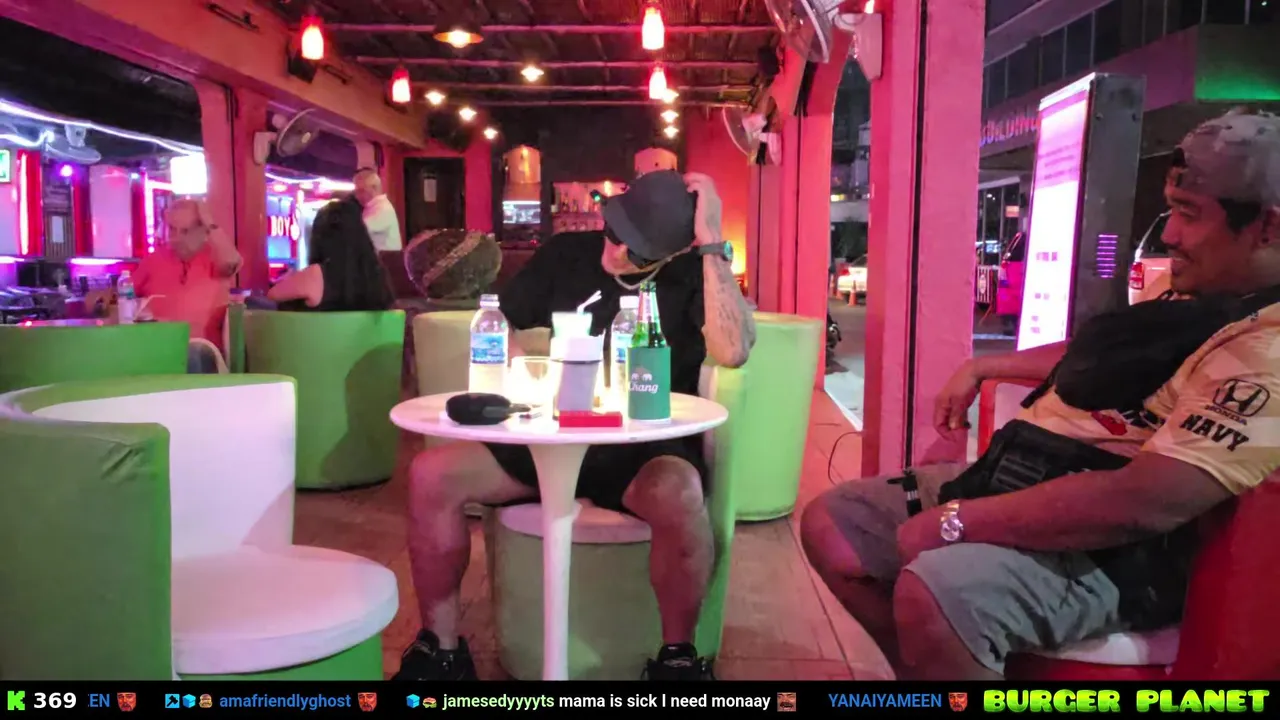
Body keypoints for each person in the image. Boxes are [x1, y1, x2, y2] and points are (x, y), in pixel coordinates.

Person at [801, 109, 1280, 681]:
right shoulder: (1201, 290)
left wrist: (956, 521)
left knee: (940, 593)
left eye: (1189, 215)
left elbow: (1148, 501)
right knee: (836, 523)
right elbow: (1099, 358)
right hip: (1027, 475)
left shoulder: (1267, 349)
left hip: (1113, 549)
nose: (1169, 234)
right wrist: (983, 365)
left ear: (1267, 228)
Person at [393, 170, 756, 681]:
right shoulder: (566, 254)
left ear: (672, 252)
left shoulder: (693, 271)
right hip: (551, 432)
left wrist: (712, 242)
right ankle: (441, 650)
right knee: (431, 474)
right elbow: (503, 320)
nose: (616, 250)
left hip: (642, 446)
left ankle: (677, 659)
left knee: (679, 493)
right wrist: (520, 378)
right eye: (614, 231)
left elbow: (734, 351)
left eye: (635, 250)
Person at [134, 198, 242, 372]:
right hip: (157, 349)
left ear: (202, 231)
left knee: (191, 355)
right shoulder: (153, 260)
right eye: (172, 229)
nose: (176, 238)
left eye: (185, 231)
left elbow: (232, 261)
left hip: (200, 352)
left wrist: (210, 223)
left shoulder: (216, 258)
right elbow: (124, 294)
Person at [266, 193, 394, 312]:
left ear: (320, 238)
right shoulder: (379, 277)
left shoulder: (316, 275)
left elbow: (271, 295)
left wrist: (289, 279)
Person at [353, 167, 402, 252]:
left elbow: (357, 231)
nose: (357, 196)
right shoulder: (373, 207)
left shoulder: (383, 209)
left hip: (385, 260)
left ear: (374, 188)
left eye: (361, 191)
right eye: (356, 192)